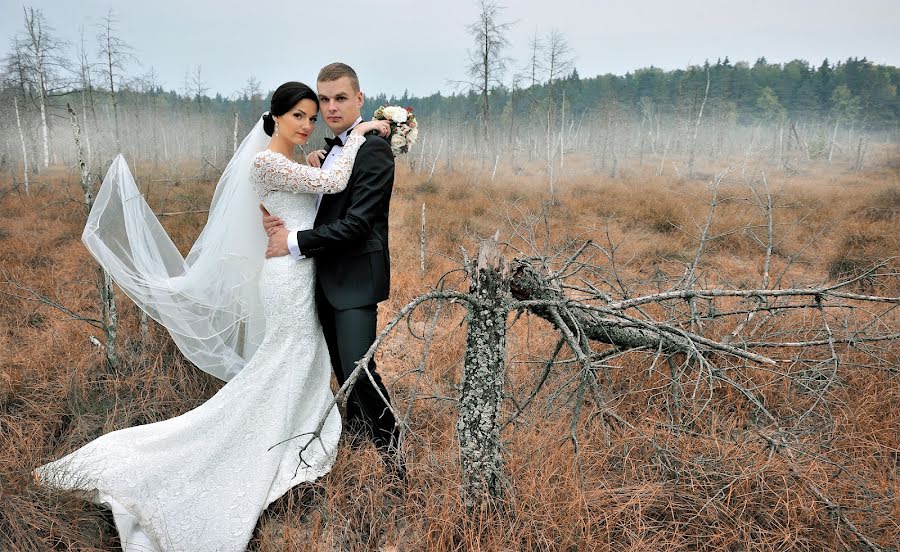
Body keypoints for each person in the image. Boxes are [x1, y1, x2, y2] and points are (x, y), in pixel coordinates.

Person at [34, 81, 390, 552]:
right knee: (286, 356)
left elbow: (317, 195)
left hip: (302, 269)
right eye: (299, 116)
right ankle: (268, 438)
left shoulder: (290, 162)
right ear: (276, 117)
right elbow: (332, 184)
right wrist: (363, 131)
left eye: (312, 116)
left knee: (301, 357)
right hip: (287, 276)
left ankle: (295, 429)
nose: (308, 124)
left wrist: (315, 165)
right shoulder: (265, 160)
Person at [262, 62, 401, 455]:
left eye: (340, 98)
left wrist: (293, 241)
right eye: (324, 99)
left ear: (359, 98)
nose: (331, 107)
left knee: (359, 371)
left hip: (355, 278)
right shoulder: (328, 154)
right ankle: (357, 443)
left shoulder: (372, 149)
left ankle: (394, 455)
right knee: (342, 371)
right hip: (321, 278)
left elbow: (357, 225)